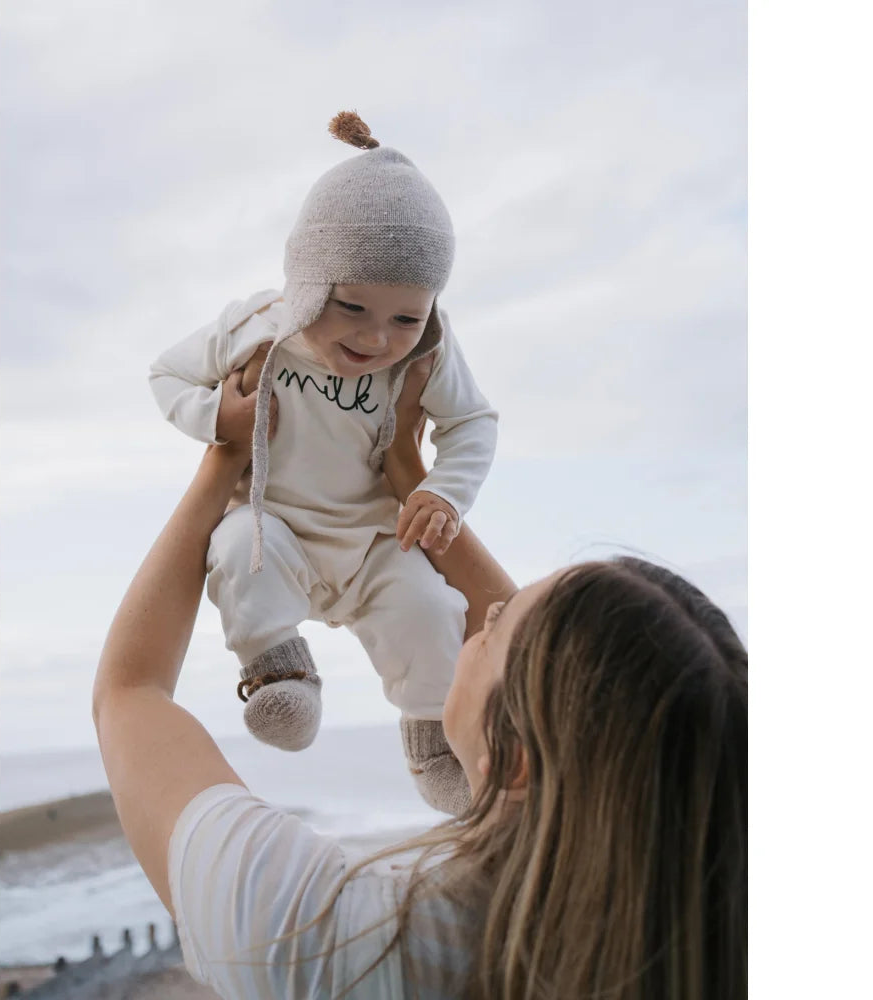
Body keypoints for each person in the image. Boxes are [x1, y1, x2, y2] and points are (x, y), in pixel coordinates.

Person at [93, 354, 748, 1000]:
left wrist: (227, 459)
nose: (482, 611)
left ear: (514, 760)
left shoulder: (339, 940)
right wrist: (411, 478)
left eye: (493, 629)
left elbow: (130, 691)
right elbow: (581, 698)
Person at [147, 111, 497, 815]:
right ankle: (279, 671)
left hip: (376, 538)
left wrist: (446, 495)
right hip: (274, 521)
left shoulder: (430, 350)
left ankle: (433, 735)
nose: (377, 337)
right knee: (239, 551)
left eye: (406, 317)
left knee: (431, 608)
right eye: (352, 307)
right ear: (309, 284)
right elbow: (166, 376)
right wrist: (220, 418)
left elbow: (472, 422)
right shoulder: (257, 325)